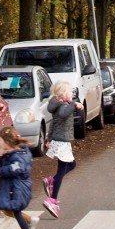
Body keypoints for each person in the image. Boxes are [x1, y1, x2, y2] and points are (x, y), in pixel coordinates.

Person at [0, 127, 37, 229]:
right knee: (10, 210)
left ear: (8, 142)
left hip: (17, 188)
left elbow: (17, 169)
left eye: (1, 140)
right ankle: (29, 224)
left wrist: (1, 171)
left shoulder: (17, 156)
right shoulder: (17, 153)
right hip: (14, 187)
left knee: (15, 211)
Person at [43, 81, 81, 219]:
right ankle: (52, 200)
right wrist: (74, 104)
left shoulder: (56, 105)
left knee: (72, 164)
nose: (72, 94)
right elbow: (65, 114)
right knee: (62, 169)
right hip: (62, 142)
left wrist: (49, 138)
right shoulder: (63, 106)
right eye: (70, 91)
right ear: (63, 94)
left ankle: (51, 181)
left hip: (60, 141)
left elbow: (54, 123)